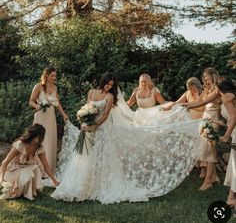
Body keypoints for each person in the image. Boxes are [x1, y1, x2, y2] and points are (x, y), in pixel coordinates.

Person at [52, 72, 201, 204]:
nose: (109, 87)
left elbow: (104, 116)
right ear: (102, 82)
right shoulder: (91, 92)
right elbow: (86, 108)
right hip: (88, 128)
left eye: (111, 85)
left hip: (102, 128)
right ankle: (82, 185)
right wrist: (85, 122)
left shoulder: (110, 97)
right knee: (86, 156)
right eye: (107, 84)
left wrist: (93, 125)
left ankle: (100, 185)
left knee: (103, 156)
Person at [187, 77, 236, 207]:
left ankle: (231, 198)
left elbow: (234, 117)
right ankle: (231, 197)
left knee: (235, 164)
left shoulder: (226, 97)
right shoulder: (227, 94)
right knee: (234, 163)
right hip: (234, 130)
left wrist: (226, 135)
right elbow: (203, 102)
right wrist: (186, 105)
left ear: (220, 88)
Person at [184, 67, 222, 190]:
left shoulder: (217, 89)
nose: (204, 78)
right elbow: (198, 100)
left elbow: (201, 103)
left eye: (206, 76)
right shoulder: (208, 88)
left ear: (212, 75)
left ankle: (208, 182)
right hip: (204, 120)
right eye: (204, 76)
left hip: (213, 122)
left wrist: (186, 105)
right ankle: (214, 177)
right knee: (206, 151)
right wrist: (182, 105)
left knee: (210, 152)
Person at [0, 124, 59, 200]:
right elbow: (5, 162)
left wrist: (55, 181)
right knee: (28, 172)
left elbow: (46, 165)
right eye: (39, 135)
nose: (41, 138)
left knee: (35, 169)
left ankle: (26, 192)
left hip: (26, 170)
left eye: (42, 136)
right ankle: (18, 191)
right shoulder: (20, 145)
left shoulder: (39, 148)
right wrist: (1, 180)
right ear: (33, 134)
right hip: (13, 170)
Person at [29, 67, 68, 173]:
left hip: (51, 118)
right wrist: (37, 106)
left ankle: (48, 169)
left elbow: (57, 103)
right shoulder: (38, 87)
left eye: (55, 76)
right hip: (40, 116)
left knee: (49, 139)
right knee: (39, 139)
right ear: (46, 75)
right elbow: (31, 101)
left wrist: (64, 114)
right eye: (52, 75)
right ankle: (38, 169)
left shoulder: (55, 87)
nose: (54, 78)